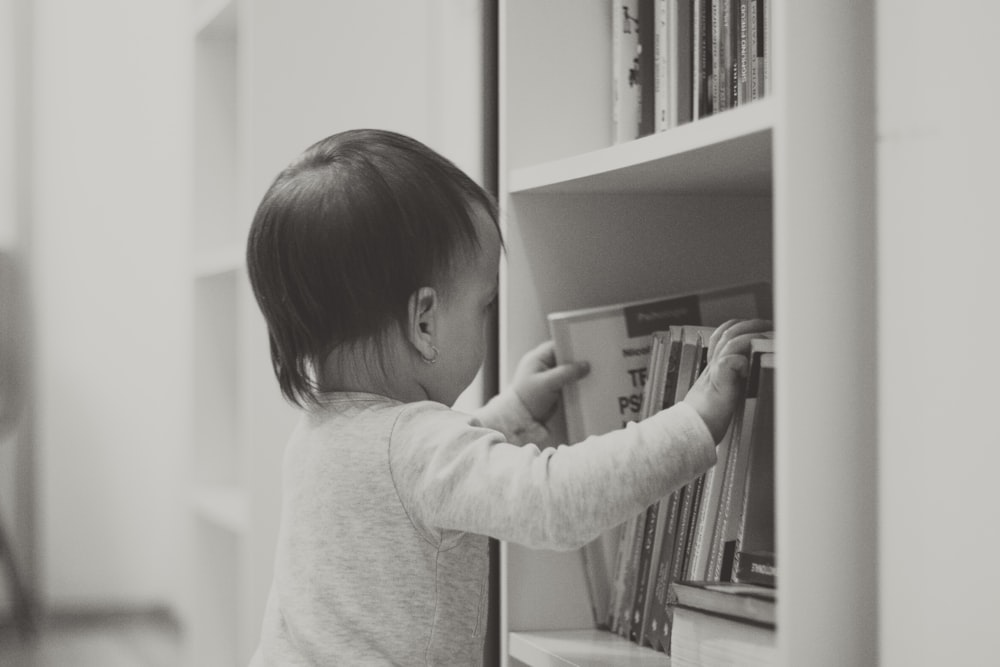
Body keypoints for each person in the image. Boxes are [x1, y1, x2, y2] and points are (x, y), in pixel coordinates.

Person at [245, 128, 770, 666]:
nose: (487, 318)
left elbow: (425, 483)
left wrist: (514, 414)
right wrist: (695, 419)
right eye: (484, 305)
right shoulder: (415, 447)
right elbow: (555, 500)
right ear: (424, 322)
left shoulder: (318, 432)